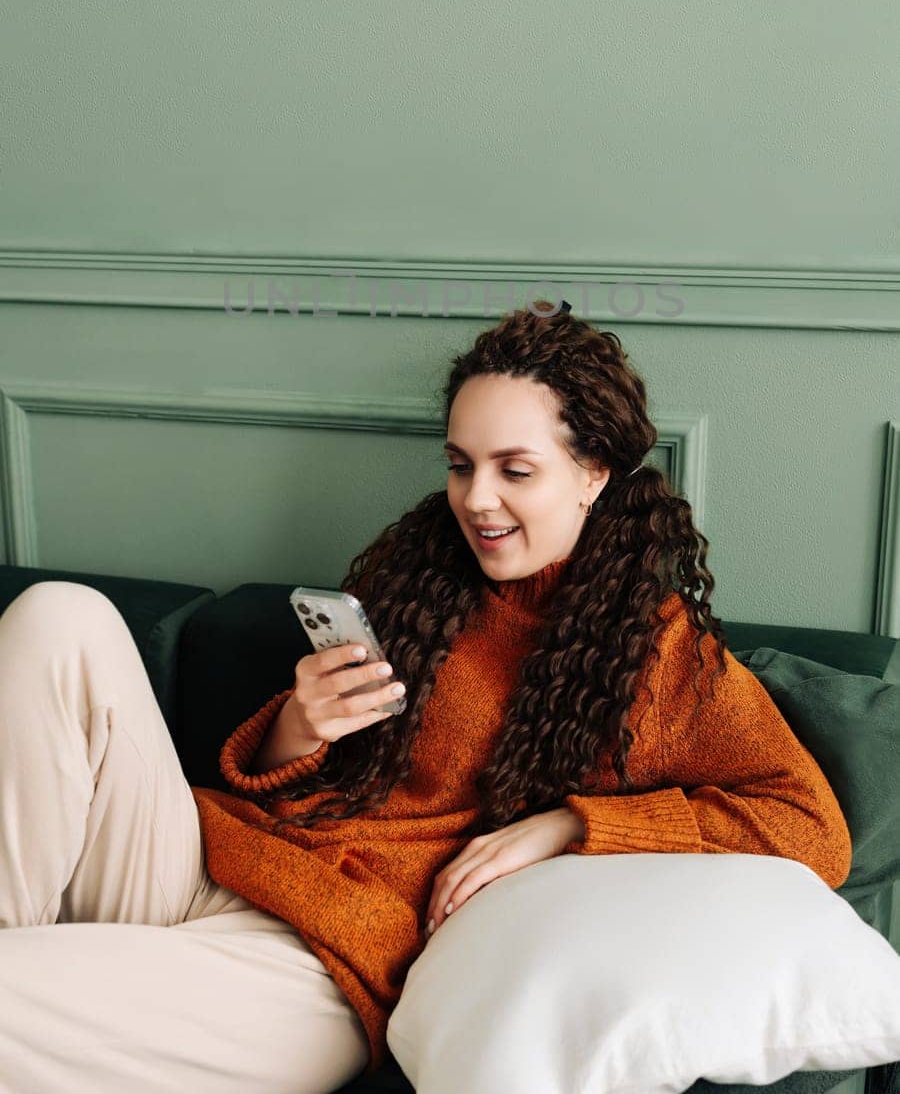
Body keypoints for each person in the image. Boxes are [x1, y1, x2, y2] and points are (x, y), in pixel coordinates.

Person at [0, 301, 852, 1092]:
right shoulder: (422, 579)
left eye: (515, 469)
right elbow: (299, 783)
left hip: (329, 966)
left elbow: (809, 826)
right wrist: (299, 728)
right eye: (460, 464)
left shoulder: (658, 654)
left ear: (593, 472)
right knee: (61, 615)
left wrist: (570, 827)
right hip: (214, 863)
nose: (475, 500)